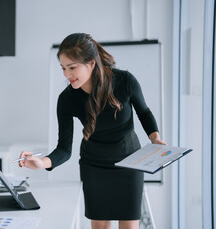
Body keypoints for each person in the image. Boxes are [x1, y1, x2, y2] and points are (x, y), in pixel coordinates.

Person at [18, 33, 166, 229]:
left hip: (130, 163)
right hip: (94, 167)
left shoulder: (125, 81)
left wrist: (154, 138)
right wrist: (42, 162)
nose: (66, 74)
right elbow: (64, 148)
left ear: (91, 63)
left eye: (72, 67)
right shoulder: (67, 99)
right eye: (63, 68)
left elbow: (144, 112)